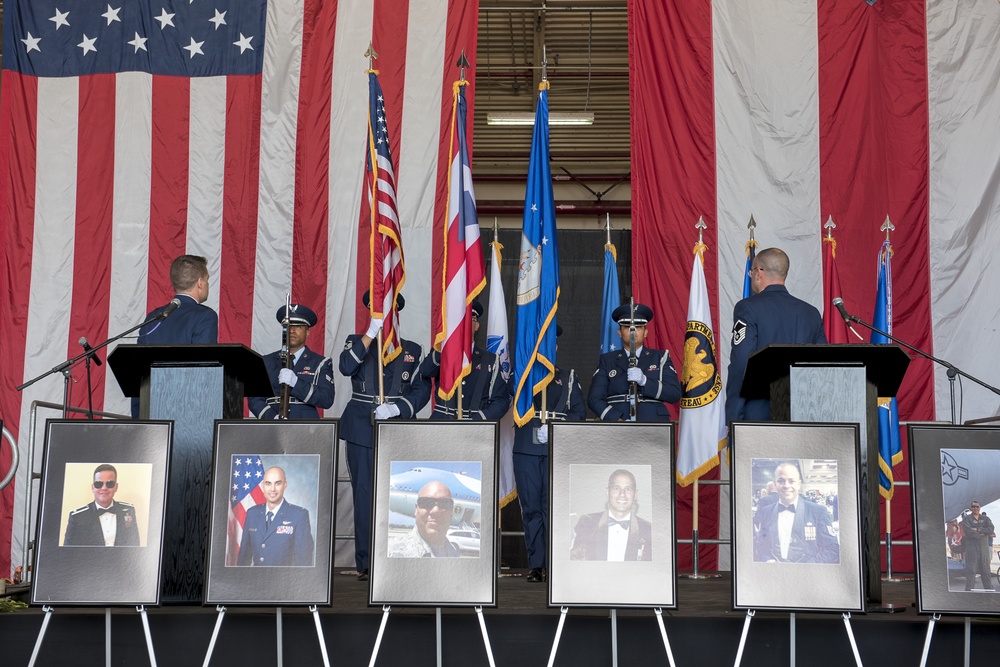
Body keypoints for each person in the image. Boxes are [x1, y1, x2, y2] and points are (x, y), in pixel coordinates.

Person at [340, 291, 430, 580]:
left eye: (389, 312)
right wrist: (370, 333)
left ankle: (397, 556)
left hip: (397, 428)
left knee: (401, 495)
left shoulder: (413, 349)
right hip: (361, 428)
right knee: (364, 495)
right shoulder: (358, 342)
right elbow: (346, 367)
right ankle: (367, 562)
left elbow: (422, 389)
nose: (385, 316)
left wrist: (398, 408)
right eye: (378, 312)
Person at [514, 325, 586, 582]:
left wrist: (555, 428)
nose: (548, 349)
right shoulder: (521, 376)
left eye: (550, 346)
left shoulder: (567, 377)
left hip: (556, 448)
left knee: (552, 508)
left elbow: (579, 412)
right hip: (526, 449)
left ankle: (556, 561)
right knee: (531, 507)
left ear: (554, 348)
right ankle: (537, 564)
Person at [726, 248, 826, 422]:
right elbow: (823, 365)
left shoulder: (747, 308)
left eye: (751, 272)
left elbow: (742, 364)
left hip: (758, 417)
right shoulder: (811, 313)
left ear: (758, 272)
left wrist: (733, 416)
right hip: (804, 416)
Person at [132, 254, 219, 417]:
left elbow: (140, 373)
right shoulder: (205, 317)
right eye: (207, 279)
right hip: (188, 415)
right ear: (200, 282)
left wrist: (138, 417)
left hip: (150, 412)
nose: (207, 284)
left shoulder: (152, 318)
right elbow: (204, 371)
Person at [417, 299, 510, 420]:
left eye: (469, 319)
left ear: (477, 325)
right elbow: (425, 371)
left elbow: (501, 402)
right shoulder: (442, 352)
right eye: (460, 319)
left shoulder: (490, 360)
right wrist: (444, 347)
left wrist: (478, 420)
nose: (463, 323)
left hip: (475, 430)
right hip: (442, 426)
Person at [588, 303, 681, 422]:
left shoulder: (660, 357)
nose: (633, 331)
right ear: (619, 332)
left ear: (646, 332)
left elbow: (674, 394)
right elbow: (594, 399)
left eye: (638, 326)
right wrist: (616, 419)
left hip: (653, 423)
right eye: (627, 326)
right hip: (618, 427)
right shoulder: (607, 360)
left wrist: (645, 381)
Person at [248, 304, 336, 420]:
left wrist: (296, 383)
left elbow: (326, 399)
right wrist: (271, 418)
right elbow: (254, 399)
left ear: (308, 332)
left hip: (306, 428)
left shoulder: (320, 362)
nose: (292, 331)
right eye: (288, 326)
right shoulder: (265, 361)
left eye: (298, 327)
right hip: (272, 428)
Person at [753, 462, 839, 563]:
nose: (786, 485)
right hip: (775, 574)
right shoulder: (766, 511)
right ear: (775, 484)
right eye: (781, 481)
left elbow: (833, 548)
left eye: (791, 481)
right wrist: (767, 560)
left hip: (807, 575)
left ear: (798, 484)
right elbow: (760, 544)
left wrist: (810, 565)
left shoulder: (818, 511)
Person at [237, 467, 315, 566]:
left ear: (285, 485)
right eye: (268, 483)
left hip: (284, 580)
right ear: (263, 486)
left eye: (278, 483)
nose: (272, 489)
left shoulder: (299, 516)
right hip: (256, 579)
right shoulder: (252, 514)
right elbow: (244, 557)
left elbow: (304, 561)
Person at [570, 469, 652, 561]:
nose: (622, 494)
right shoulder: (586, 523)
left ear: (635, 495)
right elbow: (574, 562)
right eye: (616, 488)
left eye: (628, 489)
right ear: (607, 492)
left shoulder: (649, 530)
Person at [64, 464, 140, 547]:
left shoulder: (128, 511)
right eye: (99, 484)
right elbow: (68, 554)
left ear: (116, 487)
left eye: (110, 483)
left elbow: (135, 547)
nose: (104, 488)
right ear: (93, 488)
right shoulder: (77, 517)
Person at [387, 481, 460, 558]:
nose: (435, 511)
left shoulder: (454, 551)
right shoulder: (391, 551)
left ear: (451, 511)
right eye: (426, 503)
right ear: (416, 509)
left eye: (445, 504)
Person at [960, 500, 995, 591]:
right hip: (972, 549)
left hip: (984, 549)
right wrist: (982, 534)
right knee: (971, 571)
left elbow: (991, 529)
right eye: (974, 506)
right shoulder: (967, 519)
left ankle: (989, 592)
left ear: (979, 508)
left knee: (986, 571)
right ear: (971, 508)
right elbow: (968, 531)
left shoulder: (985, 518)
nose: (976, 508)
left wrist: (978, 529)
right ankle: (968, 594)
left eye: (977, 506)